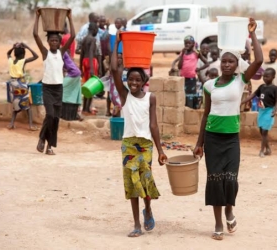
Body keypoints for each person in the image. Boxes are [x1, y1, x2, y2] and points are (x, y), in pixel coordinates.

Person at [193, 18, 263, 241]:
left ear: (236, 65)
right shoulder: (209, 85)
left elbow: (259, 60)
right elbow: (205, 115)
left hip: (231, 139)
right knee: (215, 180)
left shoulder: (240, 81)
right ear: (219, 63)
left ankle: (230, 210)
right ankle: (217, 222)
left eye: (231, 62)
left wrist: (252, 33)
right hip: (212, 138)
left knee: (230, 179)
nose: (226, 65)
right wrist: (199, 143)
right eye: (224, 61)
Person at [110, 31, 167, 238]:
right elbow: (114, 69)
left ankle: (148, 209)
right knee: (131, 183)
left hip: (146, 145)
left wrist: (161, 150)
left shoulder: (150, 98)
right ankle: (136, 224)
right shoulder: (125, 96)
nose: (133, 82)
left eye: (137, 79)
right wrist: (117, 43)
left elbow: (153, 125)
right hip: (128, 144)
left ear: (144, 81)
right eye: (130, 79)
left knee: (144, 181)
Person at [33, 9, 75, 155]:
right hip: (47, 89)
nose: (54, 42)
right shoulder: (45, 53)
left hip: (58, 89)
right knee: (50, 115)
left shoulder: (61, 52)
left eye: (57, 40)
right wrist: (37, 17)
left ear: (59, 42)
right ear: (48, 42)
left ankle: (49, 146)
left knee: (56, 119)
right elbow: (35, 35)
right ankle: (41, 139)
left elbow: (73, 36)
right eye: (52, 40)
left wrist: (70, 17)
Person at [242, 68, 277, 157]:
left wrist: (274, 111)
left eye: (267, 76)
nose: (265, 78)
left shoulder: (274, 88)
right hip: (261, 111)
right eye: (264, 76)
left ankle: (262, 151)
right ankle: (268, 149)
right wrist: (243, 101)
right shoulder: (262, 87)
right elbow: (253, 94)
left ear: (273, 77)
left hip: (269, 111)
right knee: (262, 132)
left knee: (265, 132)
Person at [6, 42, 39, 130]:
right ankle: (30, 125)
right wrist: (28, 46)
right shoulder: (22, 61)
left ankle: (11, 123)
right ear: (23, 54)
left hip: (13, 85)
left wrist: (13, 48)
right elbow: (36, 56)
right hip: (21, 84)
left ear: (15, 54)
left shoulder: (10, 61)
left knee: (15, 104)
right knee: (28, 106)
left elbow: (8, 54)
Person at [172, 35, 209, 109]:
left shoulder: (196, 53)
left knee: (191, 96)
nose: (187, 45)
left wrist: (198, 69)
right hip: (183, 78)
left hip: (192, 79)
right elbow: (179, 66)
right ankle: (186, 109)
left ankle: (191, 109)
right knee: (184, 95)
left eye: (189, 43)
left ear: (193, 44)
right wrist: (182, 54)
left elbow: (207, 63)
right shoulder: (183, 53)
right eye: (186, 43)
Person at [80, 22, 101, 116]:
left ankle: (84, 108)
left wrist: (80, 67)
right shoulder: (92, 39)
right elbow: (92, 53)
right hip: (91, 62)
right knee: (91, 87)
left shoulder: (84, 39)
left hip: (84, 62)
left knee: (86, 86)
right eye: (97, 30)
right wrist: (92, 68)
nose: (97, 31)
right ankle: (87, 109)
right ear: (94, 30)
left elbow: (81, 53)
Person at [62, 52, 83, 121]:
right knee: (73, 92)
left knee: (61, 89)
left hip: (73, 74)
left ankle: (63, 113)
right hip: (76, 73)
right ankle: (76, 114)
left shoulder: (60, 52)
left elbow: (59, 67)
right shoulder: (65, 54)